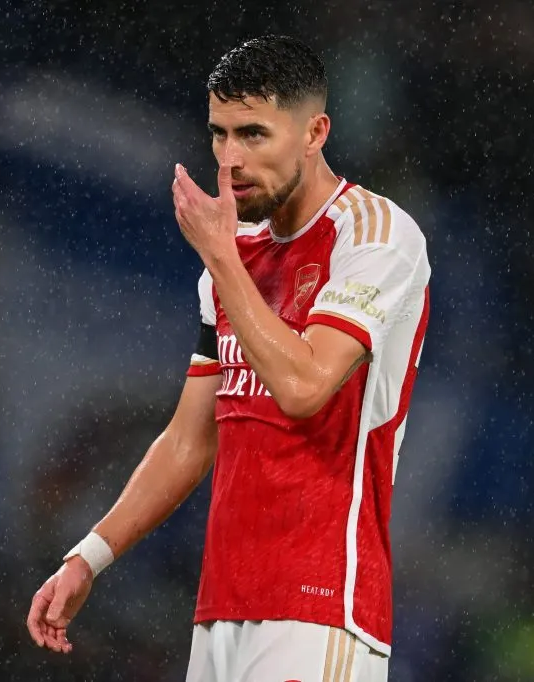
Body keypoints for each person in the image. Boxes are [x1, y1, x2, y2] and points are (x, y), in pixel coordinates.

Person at [27, 34, 431, 682]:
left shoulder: (378, 238)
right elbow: (189, 440)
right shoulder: (234, 257)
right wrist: (89, 558)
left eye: (252, 135)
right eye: (219, 135)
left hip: (320, 610)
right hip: (220, 614)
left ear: (314, 132)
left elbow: (304, 387)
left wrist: (221, 259)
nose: (230, 159)